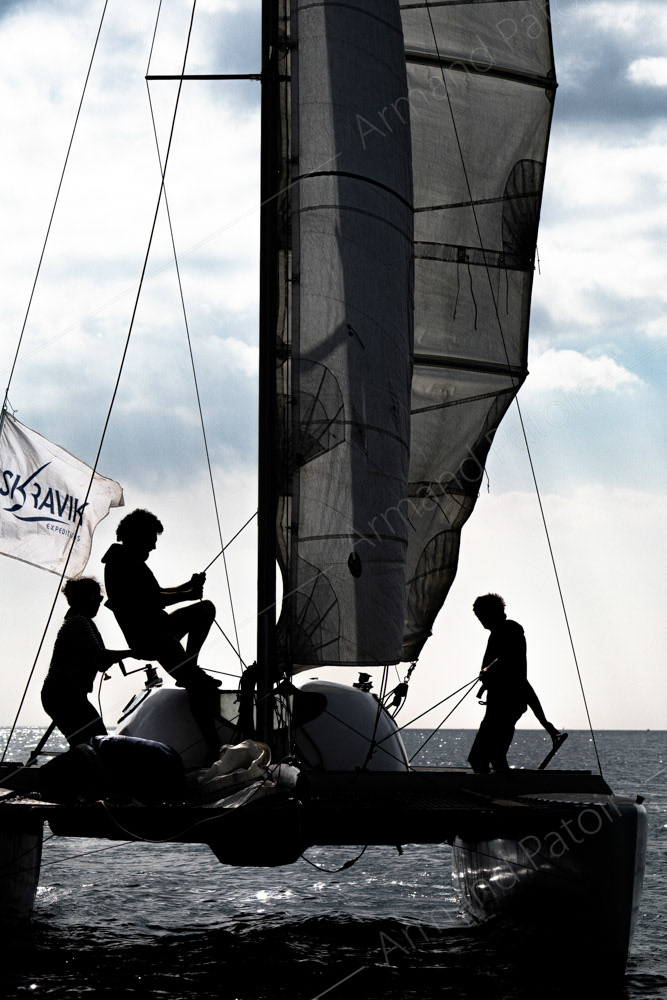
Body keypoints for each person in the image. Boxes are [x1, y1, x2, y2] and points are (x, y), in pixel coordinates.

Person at [102, 508, 221, 760]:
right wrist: (187, 594)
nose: (154, 548)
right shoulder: (121, 561)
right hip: (152, 638)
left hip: (161, 630)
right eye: (151, 541)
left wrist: (187, 586)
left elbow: (157, 592)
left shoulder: (128, 561)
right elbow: (150, 599)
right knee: (199, 688)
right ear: (137, 536)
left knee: (205, 609)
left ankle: (191, 666)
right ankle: (214, 749)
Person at [468, 593, 566, 774]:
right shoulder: (498, 634)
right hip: (501, 705)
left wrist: (488, 670)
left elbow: (514, 671)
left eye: (482, 615)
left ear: (494, 612)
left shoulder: (510, 630)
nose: (481, 620)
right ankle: (499, 791)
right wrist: (545, 723)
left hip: (506, 706)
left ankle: (497, 793)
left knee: (481, 757)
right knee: (493, 756)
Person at [41, 577, 134, 745]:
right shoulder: (79, 622)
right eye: (97, 598)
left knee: (87, 743)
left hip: (62, 695)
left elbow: (100, 662)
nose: (99, 603)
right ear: (87, 599)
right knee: (95, 742)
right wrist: (133, 653)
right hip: (64, 696)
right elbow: (100, 658)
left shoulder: (76, 621)